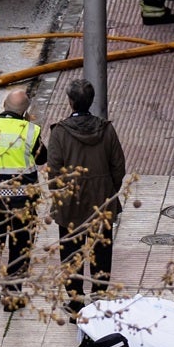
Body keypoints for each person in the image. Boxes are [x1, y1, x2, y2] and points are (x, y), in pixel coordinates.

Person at [45, 78, 127, 316]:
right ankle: (100, 302)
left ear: (70, 102)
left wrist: (62, 194)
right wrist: (107, 189)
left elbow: (53, 171)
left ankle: (74, 303)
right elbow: (118, 167)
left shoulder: (60, 133)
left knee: (71, 254)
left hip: (71, 205)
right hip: (102, 202)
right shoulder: (106, 129)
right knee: (102, 253)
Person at [0, 87, 45, 309]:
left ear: (4, 105)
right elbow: (43, 157)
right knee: (20, 246)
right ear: (25, 111)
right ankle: (13, 295)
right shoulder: (30, 130)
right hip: (22, 201)